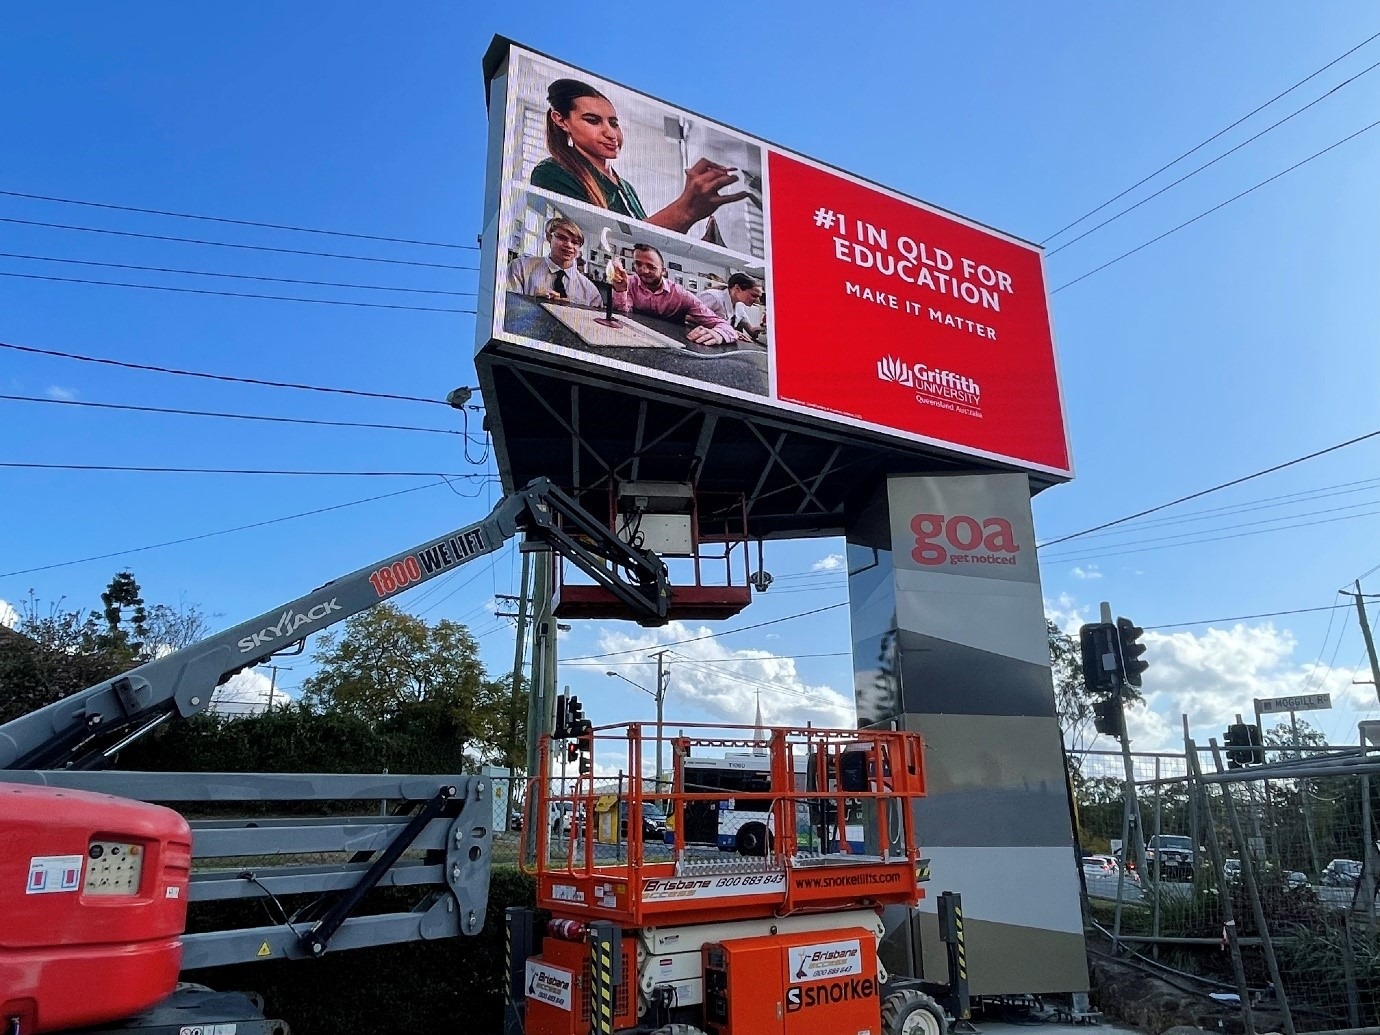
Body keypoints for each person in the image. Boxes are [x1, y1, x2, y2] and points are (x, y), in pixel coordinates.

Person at [532, 78, 748, 236]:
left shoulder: (626, 187)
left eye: (614, 123)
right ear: (561, 120)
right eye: (593, 120)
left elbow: (645, 243)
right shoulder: (551, 173)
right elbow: (602, 247)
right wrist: (686, 209)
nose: (611, 133)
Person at [609, 244, 736, 345]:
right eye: (638, 264)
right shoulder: (629, 283)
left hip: (670, 347)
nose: (643, 271)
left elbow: (724, 325)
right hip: (631, 340)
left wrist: (719, 334)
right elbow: (621, 316)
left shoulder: (681, 294)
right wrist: (620, 290)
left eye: (651, 267)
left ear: (663, 271)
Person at [506, 216, 602, 307]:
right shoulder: (519, 268)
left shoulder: (591, 291)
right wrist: (533, 304)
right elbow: (506, 307)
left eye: (575, 242)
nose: (569, 245)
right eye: (562, 238)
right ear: (549, 237)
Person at [698, 273, 764, 343]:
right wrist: (728, 331)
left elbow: (751, 330)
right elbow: (689, 317)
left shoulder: (739, 306)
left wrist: (765, 329)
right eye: (754, 295)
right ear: (737, 288)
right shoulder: (713, 297)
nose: (757, 301)